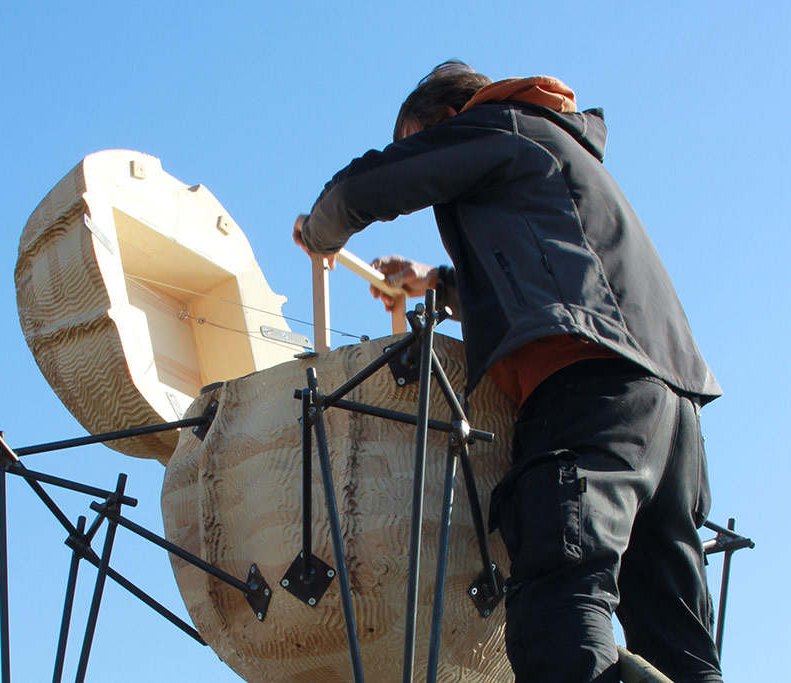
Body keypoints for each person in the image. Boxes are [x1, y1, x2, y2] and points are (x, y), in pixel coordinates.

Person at [292, 61, 723, 683]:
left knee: (557, 613)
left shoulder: (495, 126)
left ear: (447, 121)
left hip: (586, 391)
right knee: (677, 645)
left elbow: (371, 185)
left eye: (424, 142)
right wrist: (433, 283)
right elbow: (540, 277)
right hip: (669, 412)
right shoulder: (551, 148)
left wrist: (321, 229)